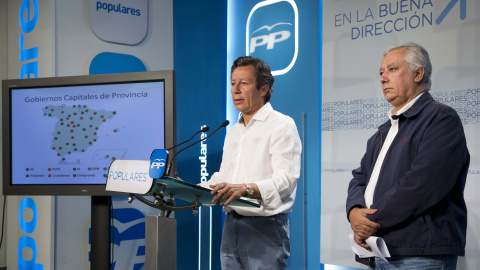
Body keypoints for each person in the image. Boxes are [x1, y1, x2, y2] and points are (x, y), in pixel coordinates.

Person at [346, 42, 469, 269]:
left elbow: (422, 184)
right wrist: (354, 213)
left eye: (392, 69)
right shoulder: (383, 131)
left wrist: (369, 221)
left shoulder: (441, 119)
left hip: (420, 254)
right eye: (381, 72)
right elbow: (359, 178)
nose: (383, 78)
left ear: (418, 73)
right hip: (380, 250)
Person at [199, 56, 302, 270]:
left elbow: (285, 180)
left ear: (263, 89)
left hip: (264, 227)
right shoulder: (233, 131)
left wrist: (245, 189)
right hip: (231, 225)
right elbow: (223, 177)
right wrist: (188, 189)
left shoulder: (281, 125)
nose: (235, 90)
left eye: (244, 83)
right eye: (233, 83)